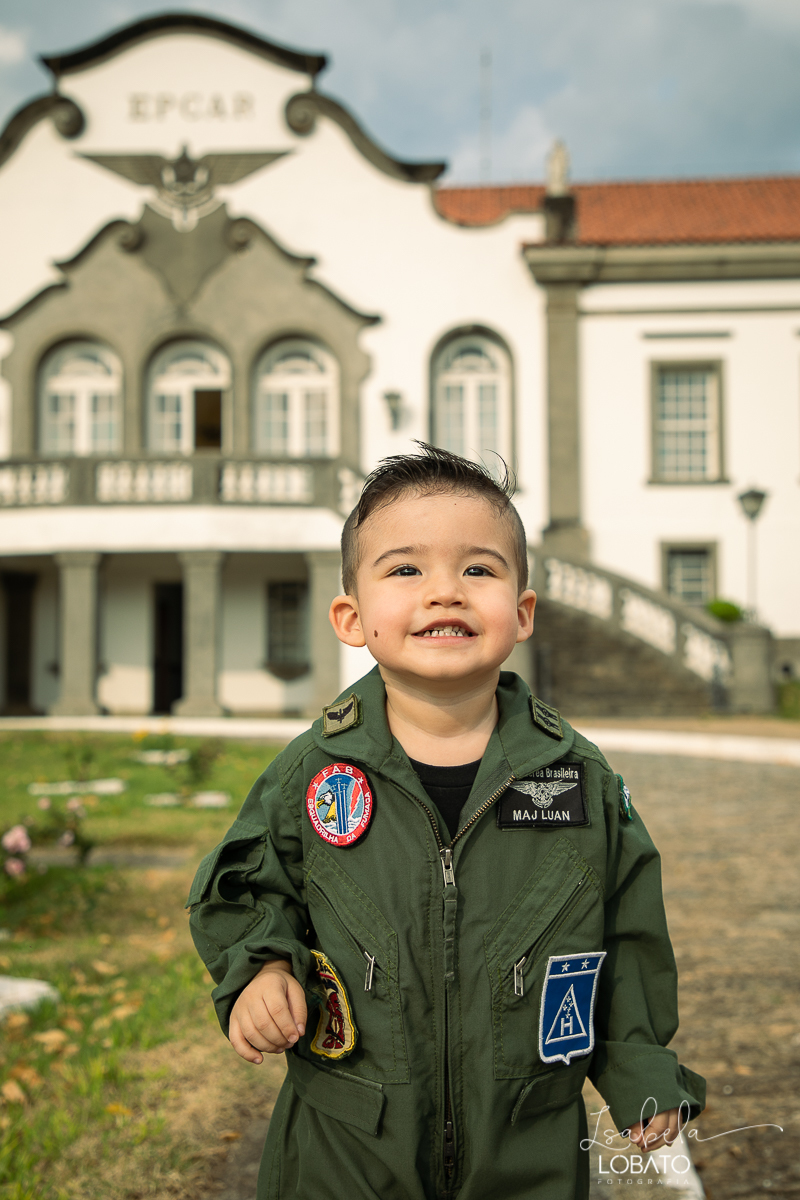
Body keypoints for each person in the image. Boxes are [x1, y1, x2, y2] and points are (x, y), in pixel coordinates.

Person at [187, 444, 705, 1199]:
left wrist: (638, 1065)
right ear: (351, 617)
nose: (445, 593)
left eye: (479, 570)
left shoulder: (577, 779)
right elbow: (246, 884)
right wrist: (261, 969)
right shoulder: (316, 771)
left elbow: (626, 929)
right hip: (348, 1147)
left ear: (522, 613)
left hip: (527, 1140)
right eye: (405, 570)